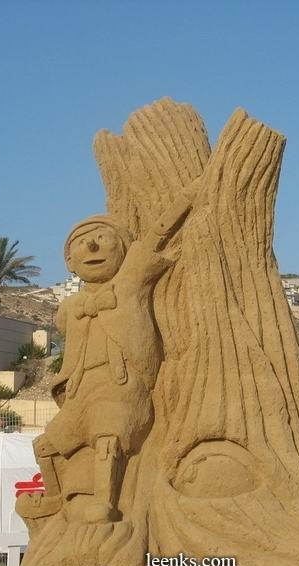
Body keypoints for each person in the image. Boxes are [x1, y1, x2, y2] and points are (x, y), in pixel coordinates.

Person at [34, 189, 195, 524]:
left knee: (108, 435)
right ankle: (55, 498)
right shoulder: (71, 307)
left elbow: (156, 235)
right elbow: (64, 324)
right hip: (81, 390)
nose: (91, 247)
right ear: (69, 262)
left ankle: (105, 501)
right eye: (81, 243)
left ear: (124, 248)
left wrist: (188, 196)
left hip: (121, 384)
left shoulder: (128, 283)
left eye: (102, 238)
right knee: (46, 445)